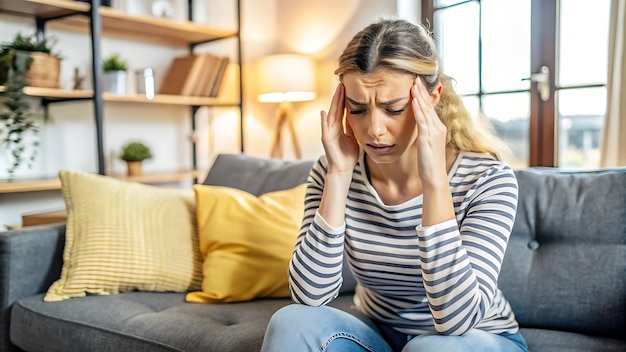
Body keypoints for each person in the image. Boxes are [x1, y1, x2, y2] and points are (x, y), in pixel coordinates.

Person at [261, 17, 529, 352]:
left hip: (474, 339)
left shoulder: (487, 180)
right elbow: (309, 295)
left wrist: (434, 182)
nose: (374, 129)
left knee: (431, 349)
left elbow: (457, 320)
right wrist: (339, 175)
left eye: (394, 108)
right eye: (357, 109)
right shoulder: (332, 171)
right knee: (292, 321)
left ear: (431, 98)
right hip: (379, 333)